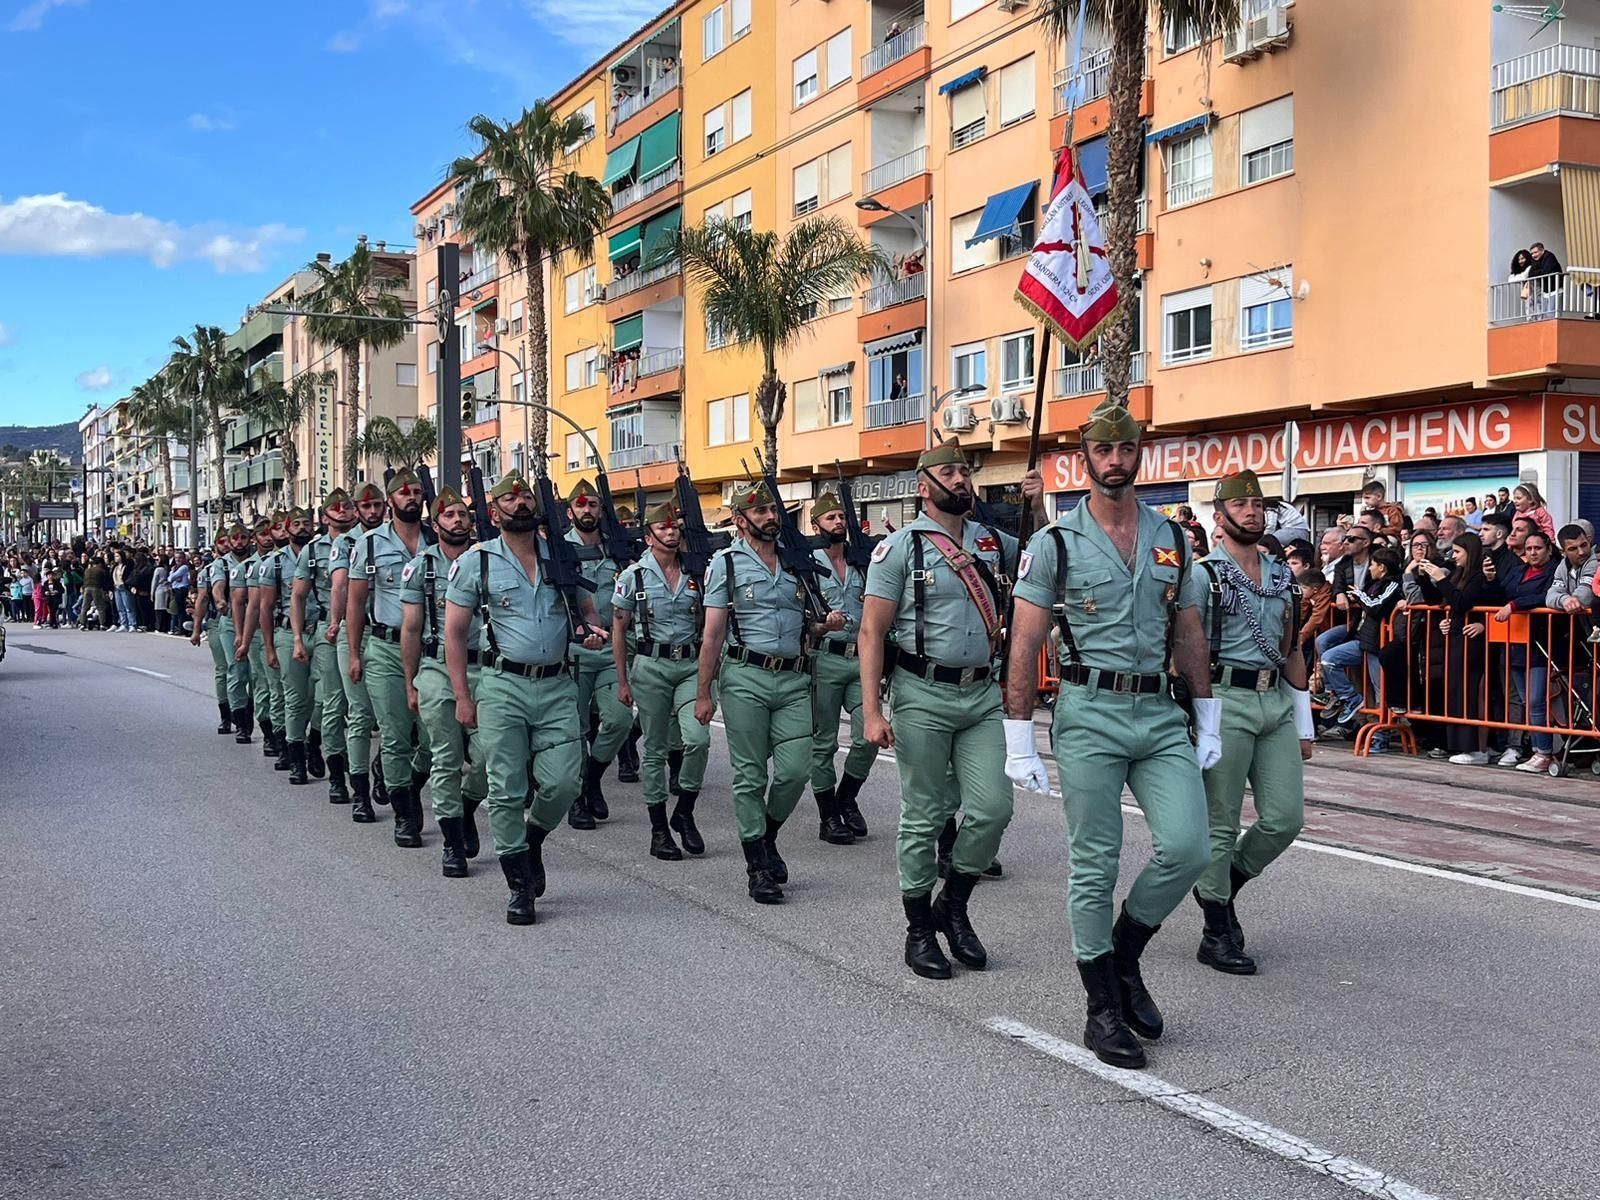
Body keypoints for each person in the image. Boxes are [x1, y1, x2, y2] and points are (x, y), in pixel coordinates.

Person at [1004, 400, 1217, 1070]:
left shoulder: (1172, 537)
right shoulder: (1056, 543)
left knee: (1189, 846)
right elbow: (1025, 641)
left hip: (1158, 713)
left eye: (1126, 449)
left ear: (1139, 454)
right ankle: (1101, 1006)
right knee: (1094, 862)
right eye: (1104, 450)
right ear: (1085, 457)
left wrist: (1207, 715)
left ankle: (1125, 954)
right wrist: (1018, 735)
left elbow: (1189, 633)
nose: (1116, 461)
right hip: (1089, 712)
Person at [858, 444, 1018, 978]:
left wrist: (1037, 504)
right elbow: (871, 632)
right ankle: (919, 929)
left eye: (964, 471)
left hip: (981, 695)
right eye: (948, 471)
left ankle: (952, 904)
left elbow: (1044, 555)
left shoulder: (991, 541)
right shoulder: (900, 548)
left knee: (994, 808)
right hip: (922, 693)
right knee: (924, 814)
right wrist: (872, 711)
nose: (961, 479)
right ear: (923, 486)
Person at [444, 472, 606, 926]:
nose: (520, 505)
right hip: (503, 686)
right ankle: (518, 883)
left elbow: (586, 611)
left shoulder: (561, 555)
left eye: (526, 499)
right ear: (494, 513)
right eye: (510, 501)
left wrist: (590, 632)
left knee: (564, 783)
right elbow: (454, 633)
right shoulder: (477, 562)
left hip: (557, 685)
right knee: (506, 788)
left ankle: (531, 841)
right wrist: (462, 696)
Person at [1188, 471, 1312, 976]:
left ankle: (1221, 886)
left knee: (1285, 818)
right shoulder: (1204, 575)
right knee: (1220, 823)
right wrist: (1199, 718)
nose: (1252, 512)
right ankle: (1216, 930)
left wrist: (1304, 724)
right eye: (1241, 506)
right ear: (1219, 519)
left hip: (1274, 699)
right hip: (1225, 698)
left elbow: (1292, 647)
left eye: (1258, 505)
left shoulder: (1281, 576)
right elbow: (1187, 647)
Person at [698, 482, 844, 905]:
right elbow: (712, 634)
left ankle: (766, 835)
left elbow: (807, 622)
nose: (770, 517)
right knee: (750, 776)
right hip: (746, 676)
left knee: (797, 770)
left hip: (795, 678)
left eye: (773, 510)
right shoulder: (725, 564)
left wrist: (825, 625)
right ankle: (757, 867)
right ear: (740, 520)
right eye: (760, 511)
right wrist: (703, 691)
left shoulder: (795, 561)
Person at [614, 503, 710, 861]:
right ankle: (659, 830)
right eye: (663, 528)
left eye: (675, 527)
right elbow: (619, 630)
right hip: (650, 666)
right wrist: (622, 680)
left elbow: (709, 623)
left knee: (697, 739)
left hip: (689, 665)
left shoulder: (696, 572)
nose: (671, 532)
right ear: (648, 536)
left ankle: (684, 811)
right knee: (654, 750)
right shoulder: (633, 577)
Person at [402, 486, 487, 878]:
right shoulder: (421, 567)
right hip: (437, 668)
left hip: (484, 668)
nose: (457, 520)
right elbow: (411, 629)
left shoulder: (487, 560)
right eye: (449, 515)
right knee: (447, 757)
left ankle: (468, 806)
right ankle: (452, 843)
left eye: (462, 514)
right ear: (435, 525)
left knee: (490, 756)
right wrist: (411, 683)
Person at [347, 470, 433, 849]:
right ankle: (405, 814)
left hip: (432, 651)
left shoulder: (439, 540)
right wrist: (354, 653)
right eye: (403, 493)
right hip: (385, 649)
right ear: (391, 501)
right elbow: (355, 603)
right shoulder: (369, 545)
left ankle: (405, 782)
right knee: (396, 736)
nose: (411, 497)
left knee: (433, 740)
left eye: (416, 492)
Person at [806, 493, 878, 845]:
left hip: (862, 659)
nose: (838, 522)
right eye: (830, 517)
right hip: (825, 658)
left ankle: (846, 798)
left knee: (870, 735)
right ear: (815, 525)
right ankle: (828, 816)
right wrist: (821, 626)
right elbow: (802, 620)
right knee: (824, 743)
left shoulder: (862, 560)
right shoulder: (807, 563)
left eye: (841, 516)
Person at [564, 479, 632, 829]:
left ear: (601, 510)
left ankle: (592, 777)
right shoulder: (558, 549)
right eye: (580, 505)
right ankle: (577, 798)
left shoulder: (616, 549)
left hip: (611, 649)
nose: (586, 510)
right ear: (569, 512)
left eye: (592, 504)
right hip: (574, 650)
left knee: (620, 720)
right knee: (575, 728)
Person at [329, 481, 388, 822]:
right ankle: (360, 792)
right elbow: (340, 585)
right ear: (356, 510)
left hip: (395, 636)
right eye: (366, 506)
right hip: (358, 632)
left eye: (377, 505)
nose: (372, 511)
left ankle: (384, 766)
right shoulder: (346, 543)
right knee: (361, 713)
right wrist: (335, 622)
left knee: (400, 718)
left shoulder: (401, 539)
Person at [294, 490, 356, 806]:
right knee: (334, 702)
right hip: (329, 631)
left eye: (347, 507)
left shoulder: (369, 542)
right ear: (325, 516)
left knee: (363, 710)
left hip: (367, 630)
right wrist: (296, 638)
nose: (342, 511)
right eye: (336, 508)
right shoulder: (312, 550)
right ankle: (337, 775)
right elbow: (298, 596)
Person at [1414, 533, 1493, 765]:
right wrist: (1425, 578)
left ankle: (1475, 748)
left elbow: (1462, 602)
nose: (1454, 556)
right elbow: (1439, 601)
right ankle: (1458, 744)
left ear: (1470, 552)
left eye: (1458, 552)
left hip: (1472, 640)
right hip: (1456, 636)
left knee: (1467, 692)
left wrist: (1441, 578)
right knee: (1455, 691)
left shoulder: (1478, 576)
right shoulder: (1459, 573)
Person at [260, 508, 322, 785]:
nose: (302, 528)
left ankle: (315, 743)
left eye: (306, 523)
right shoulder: (274, 563)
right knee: (295, 700)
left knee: (325, 699)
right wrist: (269, 647)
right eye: (295, 524)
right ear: (286, 529)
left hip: (321, 631)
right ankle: (296, 758)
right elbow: (265, 607)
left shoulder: (323, 553)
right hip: (288, 634)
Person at [1494, 530, 1559, 770]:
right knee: (1525, 700)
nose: (1532, 552)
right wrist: (1490, 581)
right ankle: (1536, 750)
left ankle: (1544, 752)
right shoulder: (1517, 571)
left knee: (1536, 700)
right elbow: (1500, 593)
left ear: (1548, 549)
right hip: (1515, 643)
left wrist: (1515, 604)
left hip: (1540, 643)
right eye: (1529, 548)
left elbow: (1545, 597)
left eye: (1538, 548)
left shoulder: (1555, 571)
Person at [1319, 546, 1402, 733]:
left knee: (1380, 691)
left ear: (1382, 567)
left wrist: (1359, 596)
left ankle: (1381, 737)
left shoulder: (1393, 584)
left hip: (1378, 643)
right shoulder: (1372, 583)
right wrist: (1356, 596)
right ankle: (1349, 698)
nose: (1370, 568)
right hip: (1363, 638)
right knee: (1329, 659)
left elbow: (1376, 607)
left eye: (1372, 564)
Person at [234, 518, 277, 753]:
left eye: (271, 532)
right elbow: (245, 605)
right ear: (256, 538)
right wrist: (242, 636)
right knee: (263, 683)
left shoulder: (289, 560)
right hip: (259, 632)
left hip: (284, 629)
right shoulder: (249, 567)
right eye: (263, 534)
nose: (268, 538)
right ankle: (268, 731)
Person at [191, 532, 235, 734]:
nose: (227, 545)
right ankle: (226, 715)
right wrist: (196, 629)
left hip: (246, 622)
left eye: (229, 541)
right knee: (224, 668)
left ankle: (243, 712)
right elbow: (202, 600)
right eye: (222, 542)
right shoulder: (207, 571)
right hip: (217, 621)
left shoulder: (248, 565)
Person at [1527, 241, 1563, 315]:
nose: (1533, 255)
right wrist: (1540, 271)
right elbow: (1530, 274)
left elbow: (1547, 271)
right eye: (1532, 254)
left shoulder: (1549, 257)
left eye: (1535, 252)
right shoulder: (1535, 261)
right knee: (1545, 315)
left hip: (1555, 290)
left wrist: (1538, 272)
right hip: (1545, 291)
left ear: (1542, 250)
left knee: (1552, 314)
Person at [151, 556, 171, 634]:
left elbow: (154, 582)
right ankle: (166, 627)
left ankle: (159, 627)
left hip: (159, 589)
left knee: (158, 609)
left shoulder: (158, 569)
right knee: (166, 609)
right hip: (168, 589)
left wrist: (152, 593)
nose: (156, 561)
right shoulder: (169, 569)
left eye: (157, 560)